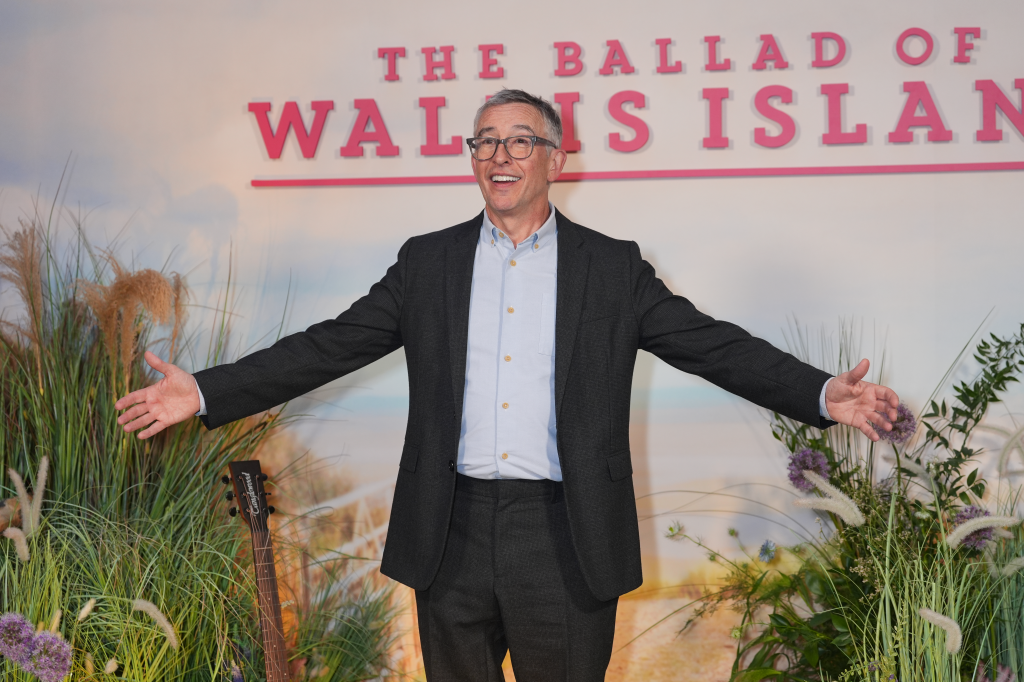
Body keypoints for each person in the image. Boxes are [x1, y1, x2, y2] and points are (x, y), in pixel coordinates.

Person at [115, 89, 899, 682]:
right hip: (447, 528)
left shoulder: (611, 266)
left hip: (565, 535)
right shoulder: (429, 263)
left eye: (519, 140)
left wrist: (820, 392)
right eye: (484, 141)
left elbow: (710, 346)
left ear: (556, 159)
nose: (500, 155)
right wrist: (208, 391)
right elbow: (330, 346)